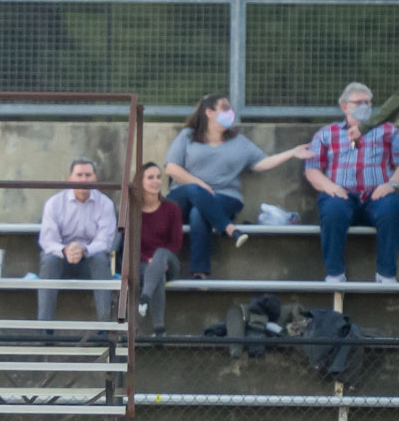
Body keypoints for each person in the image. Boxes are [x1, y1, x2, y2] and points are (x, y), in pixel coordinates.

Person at [165, 93, 312, 278]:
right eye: (224, 108)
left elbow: (261, 163)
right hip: (184, 195)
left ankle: (199, 273)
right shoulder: (188, 136)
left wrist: (292, 152)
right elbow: (171, 168)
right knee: (196, 191)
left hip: (224, 197)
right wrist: (201, 185)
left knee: (199, 213)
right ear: (209, 112)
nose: (230, 112)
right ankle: (229, 228)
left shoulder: (239, 142)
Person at [304, 82, 399, 284]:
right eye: (359, 102)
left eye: (368, 102)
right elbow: (312, 169)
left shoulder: (389, 131)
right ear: (344, 106)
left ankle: (386, 274)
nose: (365, 106)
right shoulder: (326, 134)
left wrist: (391, 184)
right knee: (331, 207)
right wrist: (330, 187)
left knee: (392, 206)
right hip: (343, 197)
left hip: (377, 197)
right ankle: (335, 274)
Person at [37, 157, 117, 324]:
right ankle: (43, 332)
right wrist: (66, 250)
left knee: (101, 260)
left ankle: (105, 331)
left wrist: (84, 250)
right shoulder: (54, 203)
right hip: (61, 261)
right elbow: (47, 240)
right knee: (49, 260)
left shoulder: (105, 204)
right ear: (70, 179)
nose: (83, 179)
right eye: (79, 175)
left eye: (88, 175)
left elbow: (105, 241)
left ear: (95, 178)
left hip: (90, 262)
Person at [133, 162, 183, 335]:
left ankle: (144, 298)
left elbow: (175, 243)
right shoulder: (132, 211)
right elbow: (129, 244)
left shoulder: (171, 208)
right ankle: (159, 329)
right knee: (156, 272)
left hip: (169, 262)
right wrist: (148, 260)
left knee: (161, 254)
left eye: (158, 177)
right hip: (142, 265)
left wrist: (159, 260)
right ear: (140, 182)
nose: (156, 181)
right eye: (150, 177)